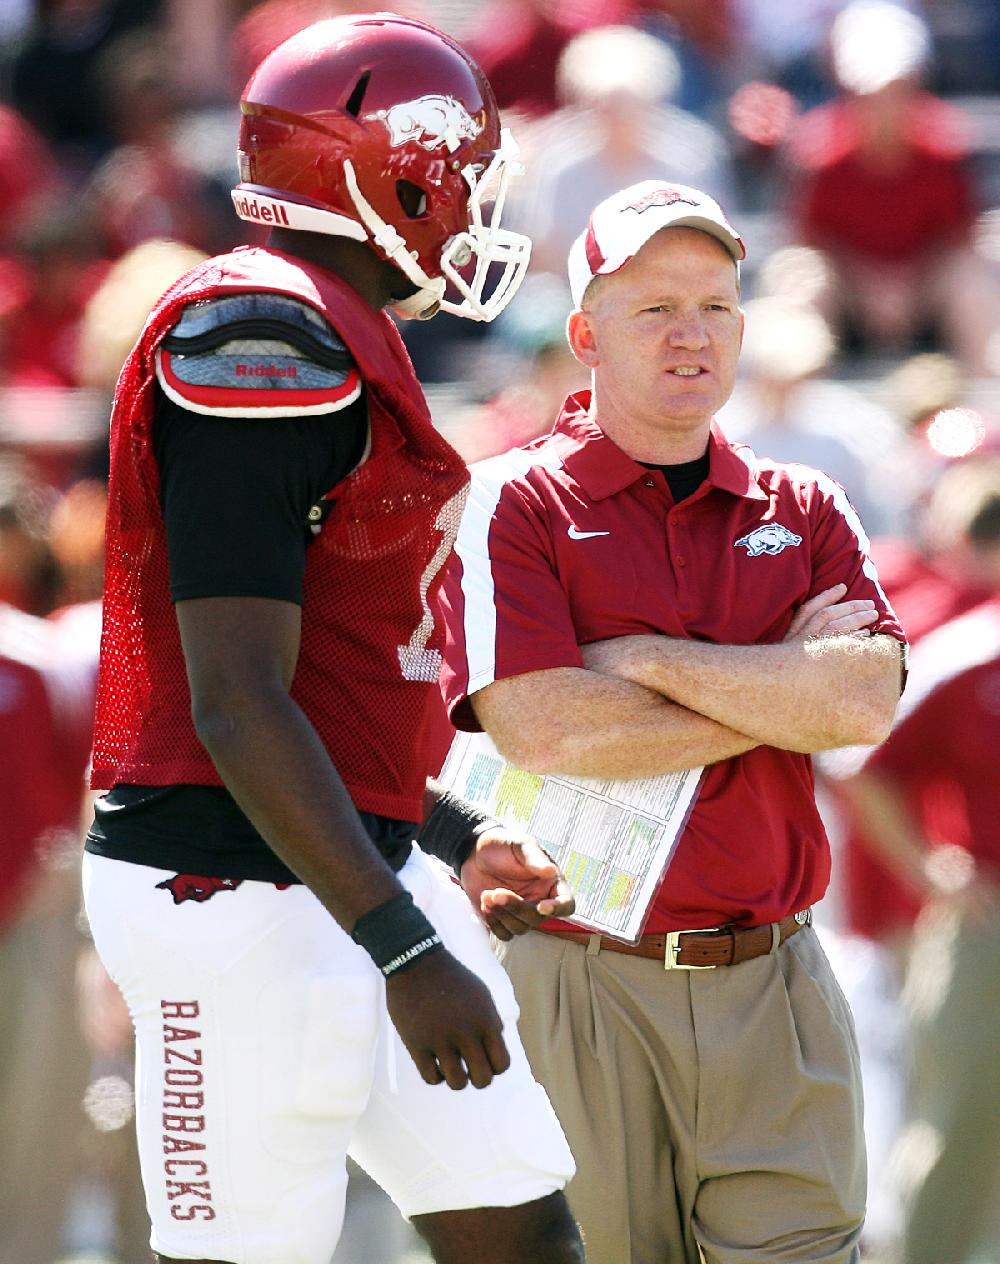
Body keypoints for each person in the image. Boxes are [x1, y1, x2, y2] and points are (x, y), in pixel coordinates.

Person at [81, 15, 583, 1264]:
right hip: (230, 879)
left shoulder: (335, 333)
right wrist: (404, 942)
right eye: (457, 170)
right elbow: (238, 698)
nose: (469, 202)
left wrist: (449, 841)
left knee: (521, 1234)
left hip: (351, 865)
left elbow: (334, 686)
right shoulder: (261, 337)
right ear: (380, 170)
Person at [438, 179, 907, 1264]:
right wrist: (781, 689)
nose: (692, 335)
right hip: (577, 978)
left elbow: (861, 703)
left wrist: (648, 664)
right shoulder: (512, 499)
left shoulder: (805, 504)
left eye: (716, 306)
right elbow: (546, 729)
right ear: (584, 333)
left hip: (777, 978)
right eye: (654, 308)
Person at [835, 456, 1000, 1264]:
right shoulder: (972, 653)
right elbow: (867, 769)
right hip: (988, 924)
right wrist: (933, 869)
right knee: (961, 1117)